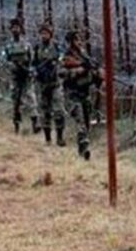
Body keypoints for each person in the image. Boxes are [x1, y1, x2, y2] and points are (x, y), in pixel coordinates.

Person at [60, 30, 102, 160]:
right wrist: (78, 71)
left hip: (84, 93)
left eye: (80, 40)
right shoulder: (65, 56)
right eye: (76, 40)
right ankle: (84, 147)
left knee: (87, 121)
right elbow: (60, 72)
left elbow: (92, 70)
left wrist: (96, 75)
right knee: (80, 120)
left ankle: (82, 147)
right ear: (71, 42)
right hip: (72, 94)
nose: (79, 42)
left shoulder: (84, 56)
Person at [1, 17, 40, 134]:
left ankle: (35, 123)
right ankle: (17, 126)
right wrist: (13, 66)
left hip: (26, 75)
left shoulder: (26, 44)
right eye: (13, 28)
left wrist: (30, 70)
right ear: (11, 30)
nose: (15, 30)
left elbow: (33, 60)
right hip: (15, 76)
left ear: (20, 29)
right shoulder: (8, 46)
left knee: (31, 98)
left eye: (17, 27)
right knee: (16, 101)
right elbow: (4, 60)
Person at [32, 22, 67, 147]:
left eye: (46, 33)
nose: (44, 36)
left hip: (55, 83)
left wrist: (56, 65)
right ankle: (48, 139)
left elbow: (63, 60)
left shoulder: (57, 47)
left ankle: (60, 137)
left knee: (59, 110)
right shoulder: (37, 48)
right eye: (42, 33)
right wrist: (36, 72)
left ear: (50, 34)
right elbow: (33, 64)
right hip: (42, 84)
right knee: (45, 111)